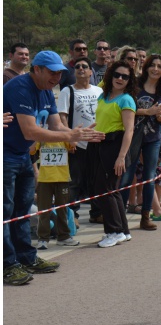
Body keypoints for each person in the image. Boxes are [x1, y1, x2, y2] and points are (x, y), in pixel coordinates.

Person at [4, 51, 104, 285]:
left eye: (60, 72)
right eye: (52, 72)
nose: (57, 76)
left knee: (21, 210)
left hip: (23, 156)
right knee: (6, 213)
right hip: (6, 157)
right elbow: (31, 131)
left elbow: (55, 123)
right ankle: (8, 264)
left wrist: (75, 134)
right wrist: (70, 134)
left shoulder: (46, 89)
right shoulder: (20, 87)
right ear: (36, 69)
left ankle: (26, 258)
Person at [87, 61, 136, 248]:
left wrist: (122, 156)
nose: (120, 79)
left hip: (116, 145)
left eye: (125, 76)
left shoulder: (126, 100)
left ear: (130, 80)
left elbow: (129, 130)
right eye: (117, 75)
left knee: (105, 189)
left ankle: (114, 231)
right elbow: (100, 120)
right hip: (101, 144)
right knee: (110, 190)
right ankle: (122, 230)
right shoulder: (103, 95)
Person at [119, 55, 161, 229]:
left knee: (149, 178)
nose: (155, 69)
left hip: (152, 138)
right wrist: (148, 111)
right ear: (146, 67)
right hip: (132, 137)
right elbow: (127, 109)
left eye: (159, 66)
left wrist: (160, 114)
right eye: (152, 65)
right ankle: (120, 217)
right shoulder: (135, 86)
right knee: (127, 176)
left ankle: (146, 216)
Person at [57, 56, 104, 227]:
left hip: (97, 142)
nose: (81, 68)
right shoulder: (67, 91)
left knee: (96, 180)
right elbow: (62, 116)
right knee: (74, 182)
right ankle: (72, 215)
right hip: (77, 144)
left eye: (85, 66)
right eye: (77, 66)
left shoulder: (99, 91)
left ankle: (97, 213)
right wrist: (70, 138)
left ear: (91, 71)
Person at [30, 138, 79, 250]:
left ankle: (64, 237)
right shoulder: (42, 137)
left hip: (62, 179)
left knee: (62, 209)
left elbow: (73, 144)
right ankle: (43, 238)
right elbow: (31, 150)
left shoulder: (63, 136)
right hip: (45, 179)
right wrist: (38, 133)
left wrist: (66, 130)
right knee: (44, 210)